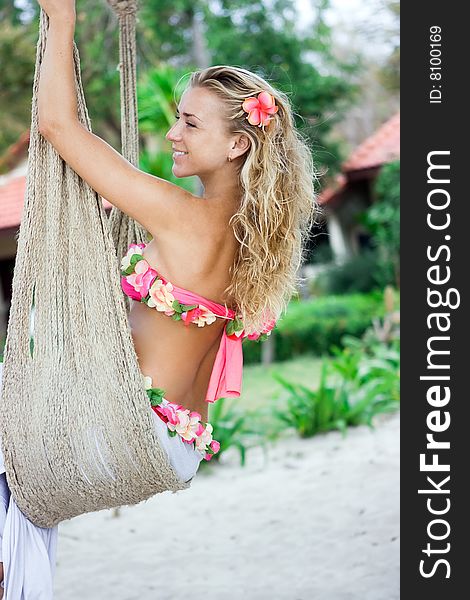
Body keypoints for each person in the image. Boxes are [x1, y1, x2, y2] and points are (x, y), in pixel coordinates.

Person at [0, 0, 319, 595]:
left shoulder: (183, 219)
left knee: (15, 413)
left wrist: (62, 18)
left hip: (125, 431)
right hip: (176, 444)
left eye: (192, 124)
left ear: (238, 146)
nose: (172, 132)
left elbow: (57, 128)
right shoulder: (244, 239)